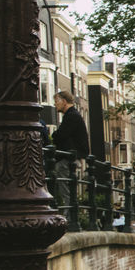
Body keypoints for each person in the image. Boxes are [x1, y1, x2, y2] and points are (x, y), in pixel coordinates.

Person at [51, 90, 89, 228]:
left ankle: (69, 218)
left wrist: (55, 135)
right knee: (67, 188)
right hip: (71, 157)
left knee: (65, 189)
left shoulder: (71, 116)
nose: (55, 105)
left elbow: (60, 135)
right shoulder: (73, 115)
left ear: (64, 101)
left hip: (67, 159)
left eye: (56, 101)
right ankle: (71, 217)